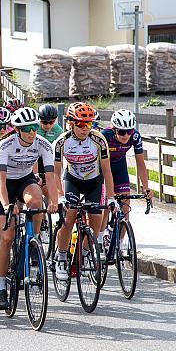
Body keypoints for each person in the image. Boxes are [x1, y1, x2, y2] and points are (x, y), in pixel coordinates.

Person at [0, 107, 58, 310]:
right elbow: (1, 180)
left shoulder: (44, 145)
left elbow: (50, 177)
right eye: (27, 128)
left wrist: (54, 202)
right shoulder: (6, 145)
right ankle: (1, 283)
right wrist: (5, 206)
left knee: (37, 201)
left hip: (25, 179)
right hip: (4, 183)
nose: (32, 132)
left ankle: (33, 240)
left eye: (35, 127)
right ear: (18, 130)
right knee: (7, 237)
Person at [53, 102, 117, 282]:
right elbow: (55, 173)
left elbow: (107, 170)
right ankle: (62, 257)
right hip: (72, 180)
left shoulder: (98, 140)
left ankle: (86, 251)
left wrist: (111, 197)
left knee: (96, 222)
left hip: (93, 181)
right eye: (80, 124)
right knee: (69, 215)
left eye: (88, 124)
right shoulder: (61, 142)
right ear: (71, 123)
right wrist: (59, 196)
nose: (85, 128)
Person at [99, 109, 151, 245]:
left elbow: (140, 163)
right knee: (106, 205)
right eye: (122, 132)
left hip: (119, 166)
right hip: (103, 168)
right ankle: (100, 238)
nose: (126, 135)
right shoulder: (105, 136)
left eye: (129, 131)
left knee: (125, 207)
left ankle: (120, 244)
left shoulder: (135, 137)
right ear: (114, 129)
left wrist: (146, 188)